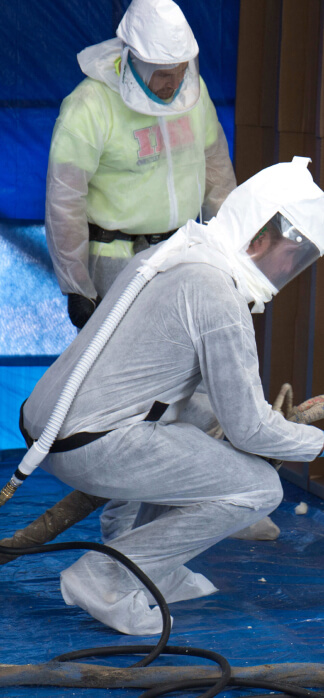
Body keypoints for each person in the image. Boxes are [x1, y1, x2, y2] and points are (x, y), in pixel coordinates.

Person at [21, 156, 324, 636]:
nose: (293, 267)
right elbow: (249, 427)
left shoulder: (178, 253)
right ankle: (109, 575)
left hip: (57, 427)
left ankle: (151, 567)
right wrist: (318, 444)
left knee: (204, 418)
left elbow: (209, 407)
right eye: (295, 250)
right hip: (92, 442)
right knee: (259, 488)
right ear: (259, 235)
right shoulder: (218, 295)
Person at [45, 0, 236, 331]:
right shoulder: (90, 105)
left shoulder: (195, 95)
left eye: (181, 72)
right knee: (118, 376)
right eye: (163, 74)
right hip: (115, 264)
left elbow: (219, 180)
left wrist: (233, 257)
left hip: (180, 255)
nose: (174, 84)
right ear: (134, 60)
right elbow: (64, 200)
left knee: (182, 369)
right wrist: (77, 286)